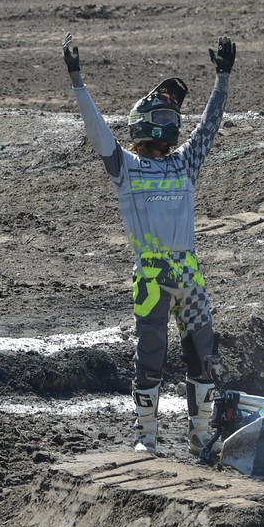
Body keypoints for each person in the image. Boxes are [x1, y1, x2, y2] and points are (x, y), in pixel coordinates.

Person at [63, 32, 235, 455]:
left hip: (181, 275)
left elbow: (210, 125)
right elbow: (96, 128)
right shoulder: (127, 167)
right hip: (160, 276)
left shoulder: (181, 162)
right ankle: (147, 436)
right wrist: (77, 80)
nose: (174, 115)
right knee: (151, 356)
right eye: (170, 109)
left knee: (203, 356)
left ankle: (198, 435)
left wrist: (224, 78)